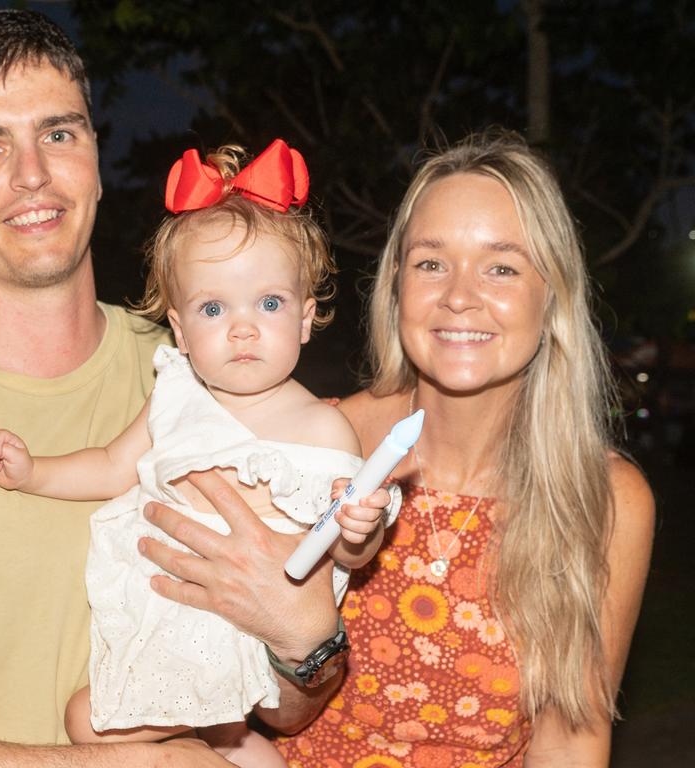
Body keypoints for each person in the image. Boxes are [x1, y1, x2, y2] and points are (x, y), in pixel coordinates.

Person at [0, 6, 357, 766]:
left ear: (92, 153)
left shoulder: (209, 378)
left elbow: (284, 708)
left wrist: (306, 642)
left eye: (58, 133)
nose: (32, 174)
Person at [0, 141, 393, 767]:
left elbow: (342, 554)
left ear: (307, 318)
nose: (242, 327)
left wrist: (358, 531)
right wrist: (35, 471)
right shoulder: (176, 396)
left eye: (269, 303)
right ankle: (232, 745)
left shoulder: (322, 429)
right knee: (133, 728)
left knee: (83, 720)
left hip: (247, 636)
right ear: (179, 328)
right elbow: (113, 465)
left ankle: (230, 740)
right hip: (168, 621)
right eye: (213, 307)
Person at [273, 130, 655, 766]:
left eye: (501, 266)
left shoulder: (606, 500)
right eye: (430, 262)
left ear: (553, 294)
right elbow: (254, 710)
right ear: (397, 285)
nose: (458, 295)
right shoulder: (317, 447)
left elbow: (570, 739)